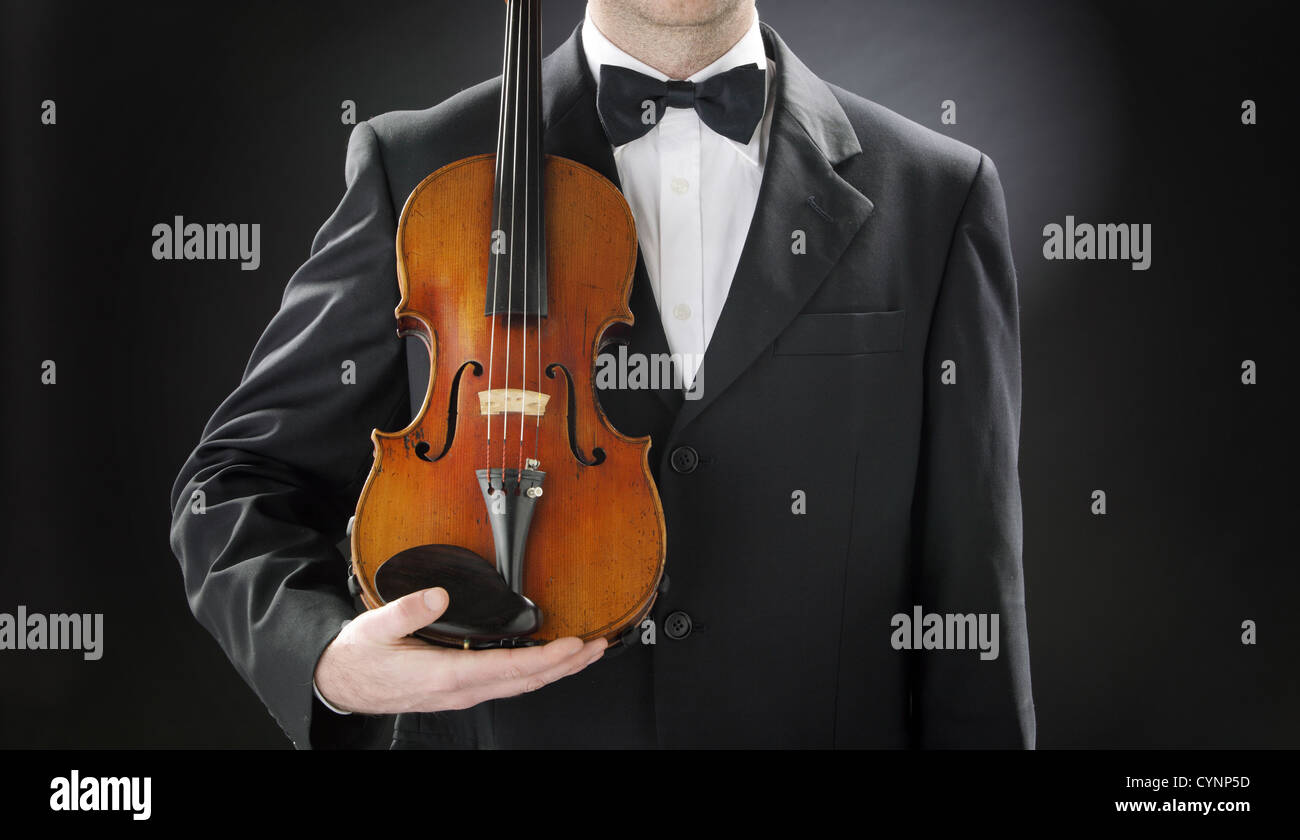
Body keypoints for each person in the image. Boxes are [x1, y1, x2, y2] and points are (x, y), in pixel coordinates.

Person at [169, 0, 1035, 748]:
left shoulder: (937, 193)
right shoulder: (420, 169)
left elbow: (972, 591)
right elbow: (233, 482)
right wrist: (325, 659)